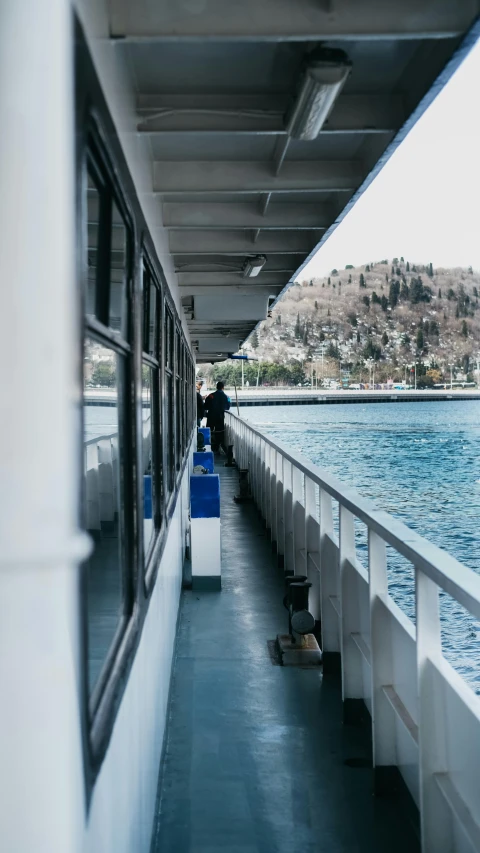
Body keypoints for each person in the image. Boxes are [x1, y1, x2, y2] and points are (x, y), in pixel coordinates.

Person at [203, 381, 231, 453]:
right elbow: (227, 407)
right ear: (223, 387)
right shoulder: (226, 397)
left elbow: (205, 406)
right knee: (219, 432)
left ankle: (209, 446)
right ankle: (217, 447)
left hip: (211, 416)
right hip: (220, 417)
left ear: (216, 387)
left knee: (210, 431)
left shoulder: (211, 396)